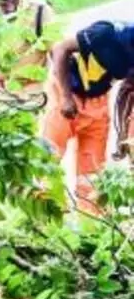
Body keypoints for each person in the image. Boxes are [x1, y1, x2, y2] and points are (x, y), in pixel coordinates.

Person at [45, 20, 134, 211]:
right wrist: (66, 98)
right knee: (48, 159)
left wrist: (124, 138)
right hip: (68, 94)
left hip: (98, 102)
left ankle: (91, 225)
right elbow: (60, 49)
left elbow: (128, 93)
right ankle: (46, 215)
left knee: (91, 172)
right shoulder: (104, 33)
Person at [0, 0, 55, 97]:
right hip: (2, 91)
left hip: (34, 89)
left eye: (14, 1)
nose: (10, 8)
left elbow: (55, 49)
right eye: (3, 5)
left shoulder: (40, 10)